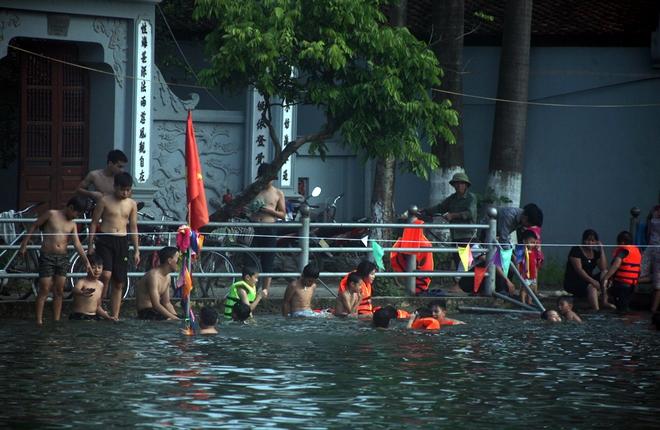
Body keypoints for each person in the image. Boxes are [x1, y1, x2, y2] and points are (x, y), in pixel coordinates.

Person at [18, 196, 90, 324]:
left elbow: (77, 244)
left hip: (62, 257)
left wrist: (86, 260)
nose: (77, 217)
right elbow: (34, 226)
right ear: (71, 208)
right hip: (47, 256)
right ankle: (38, 320)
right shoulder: (52, 214)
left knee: (59, 290)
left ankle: (56, 320)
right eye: (77, 214)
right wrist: (24, 245)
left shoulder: (72, 224)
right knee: (44, 288)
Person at [88, 172, 140, 318]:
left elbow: (133, 227)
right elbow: (94, 223)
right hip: (105, 239)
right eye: (122, 189)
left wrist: (137, 250)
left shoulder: (131, 204)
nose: (125, 193)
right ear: (115, 187)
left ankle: (114, 316)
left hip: (122, 241)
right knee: (105, 274)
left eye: (128, 190)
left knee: (118, 282)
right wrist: (90, 244)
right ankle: (97, 307)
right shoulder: (104, 201)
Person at [420, 172, 477, 290]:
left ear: (466, 185)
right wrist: (424, 211)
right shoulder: (452, 199)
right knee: (457, 261)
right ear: (454, 185)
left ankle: (461, 286)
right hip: (455, 235)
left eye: (462, 183)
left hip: (467, 235)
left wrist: (453, 215)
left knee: (465, 262)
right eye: (457, 183)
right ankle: (459, 286)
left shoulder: (471, 198)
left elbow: (471, 213)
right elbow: (440, 207)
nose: (459, 186)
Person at [479, 203, 544, 295]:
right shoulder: (509, 216)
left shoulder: (521, 220)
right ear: (525, 218)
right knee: (502, 260)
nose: (528, 227)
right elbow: (503, 237)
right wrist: (512, 256)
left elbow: (522, 238)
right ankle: (500, 289)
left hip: (498, 238)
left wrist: (520, 255)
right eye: (529, 224)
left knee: (513, 261)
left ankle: (507, 289)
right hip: (487, 236)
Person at [248, 163, 286, 292]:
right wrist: (250, 208)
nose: (267, 182)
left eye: (269, 179)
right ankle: (249, 289)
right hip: (253, 226)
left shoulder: (278, 193)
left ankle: (265, 291)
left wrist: (270, 211)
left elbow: (282, 214)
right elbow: (242, 205)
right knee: (250, 259)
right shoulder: (253, 189)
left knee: (268, 261)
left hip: (269, 227)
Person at [563, 229, 610, 311]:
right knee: (592, 286)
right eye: (588, 240)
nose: (590, 243)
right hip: (574, 282)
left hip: (588, 281)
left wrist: (601, 251)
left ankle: (604, 301)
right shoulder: (576, 250)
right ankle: (596, 310)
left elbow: (603, 267)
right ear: (583, 240)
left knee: (605, 273)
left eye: (593, 240)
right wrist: (592, 280)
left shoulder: (595, 253)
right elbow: (579, 270)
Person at [135, 246, 180, 320]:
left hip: (156, 310)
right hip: (146, 312)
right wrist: (174, 318)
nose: (179, 262)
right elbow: (156, 304)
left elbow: (166, 303)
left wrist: (176, 317)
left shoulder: (168, 277)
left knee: (184, 319)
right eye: (178, 260)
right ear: (169, 260)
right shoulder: (153, 276)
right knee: (169, 320)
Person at [601, 231, 641, 312]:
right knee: (623, 303)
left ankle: (622, 320)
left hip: (621, 285)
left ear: (622, 242)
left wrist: (606, 277)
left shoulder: (622, 251)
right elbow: (639, 270)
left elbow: (615, 266)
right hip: (631, 286)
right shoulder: (636, 252)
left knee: (621, 308)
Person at [69, 254, 117, 321]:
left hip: (93, 316)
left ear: (102, 268)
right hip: (80, 316)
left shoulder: (101, 285)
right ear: (87, 268)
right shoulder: (82, 282)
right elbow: (74, 289)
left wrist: (108, 317)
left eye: (99, 268)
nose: (97, 270)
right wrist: (82, 292)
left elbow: (97, 306)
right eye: (93, 267)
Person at [638, 190, 660, 312]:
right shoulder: (655, 209)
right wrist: (648, 229)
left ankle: (653, 311)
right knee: (638, 270)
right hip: (651, 245)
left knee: (658, 285)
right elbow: (648, 218)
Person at [517, 229, 539, 306]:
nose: (533, 245)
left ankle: (529, 302)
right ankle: (522, 303)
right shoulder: (522, 251)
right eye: (532, 243)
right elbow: (519, 262)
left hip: (532, 273)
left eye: (534, 243)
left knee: (531, 289)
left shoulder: (533, 251)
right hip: (525, 274)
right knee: (523, 289)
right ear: (524, 241)